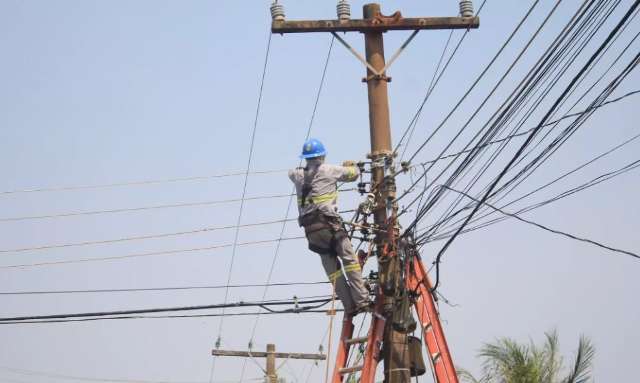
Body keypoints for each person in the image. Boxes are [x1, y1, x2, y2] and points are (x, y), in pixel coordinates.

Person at [288, 138, 371, 316]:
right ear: (322, 156)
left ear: (306, 158)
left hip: (311, 232)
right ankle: (362, 300)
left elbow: (291, 173)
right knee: (350, 261)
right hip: (330, 226)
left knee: (333, 272)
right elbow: (353, 174)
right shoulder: (329, 170)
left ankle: (350, 307)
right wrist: (352, 165)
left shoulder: (297, 175)